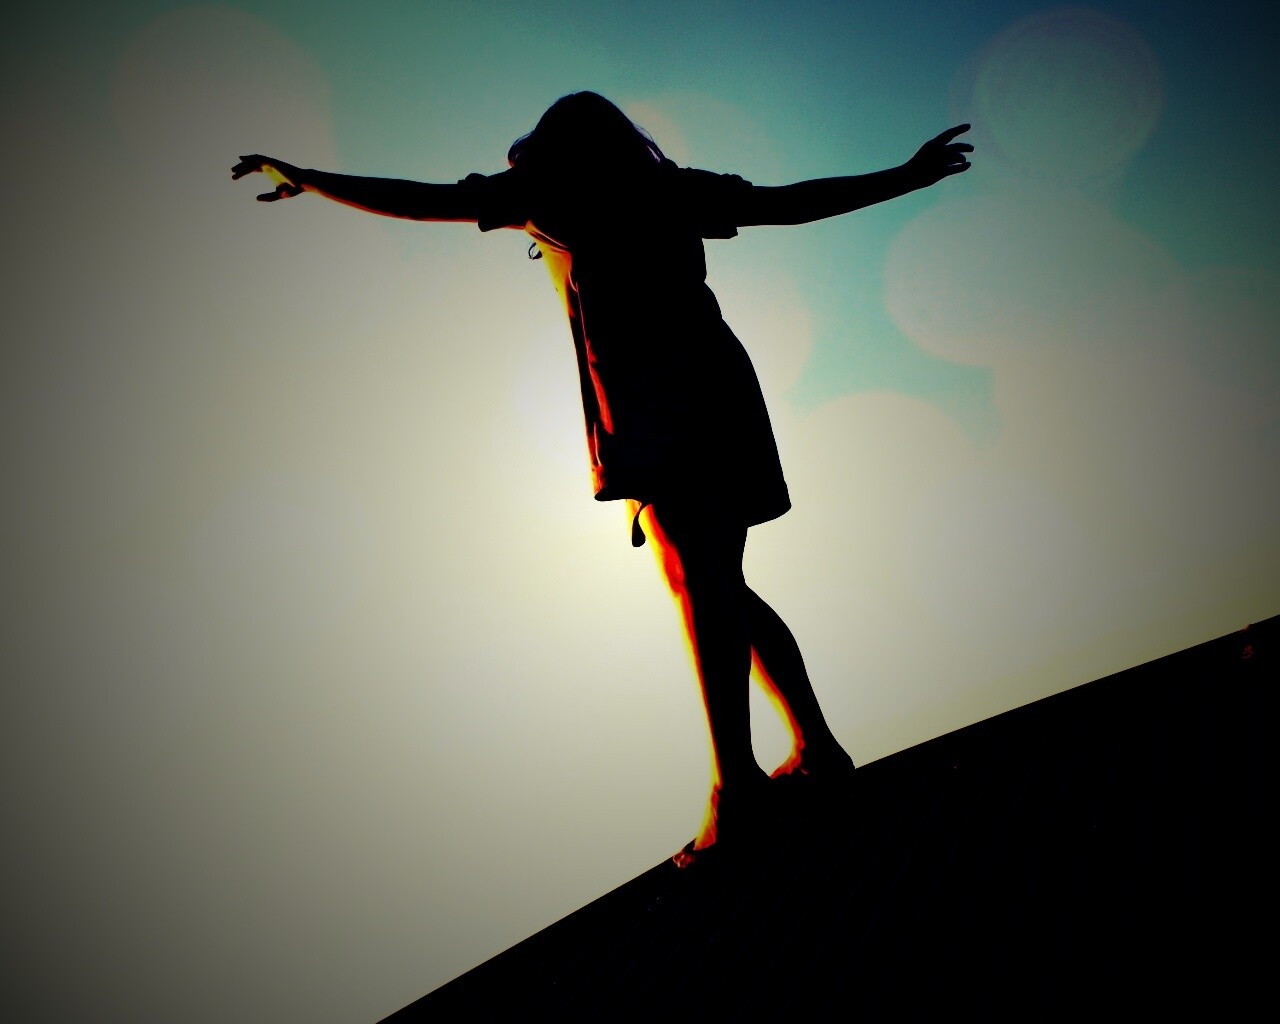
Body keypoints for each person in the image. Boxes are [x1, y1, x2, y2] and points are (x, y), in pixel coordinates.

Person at [232, 92, 972, 868]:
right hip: (714, 382)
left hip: (655, 399)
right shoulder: (668, 188)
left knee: (702, 580)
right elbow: (788, 204)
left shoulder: (550, 194)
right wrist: (906, 176)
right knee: (717, 579)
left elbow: (421, 201)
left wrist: (310, 177)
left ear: (550, 149)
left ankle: (739, 790)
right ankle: (812, 750)